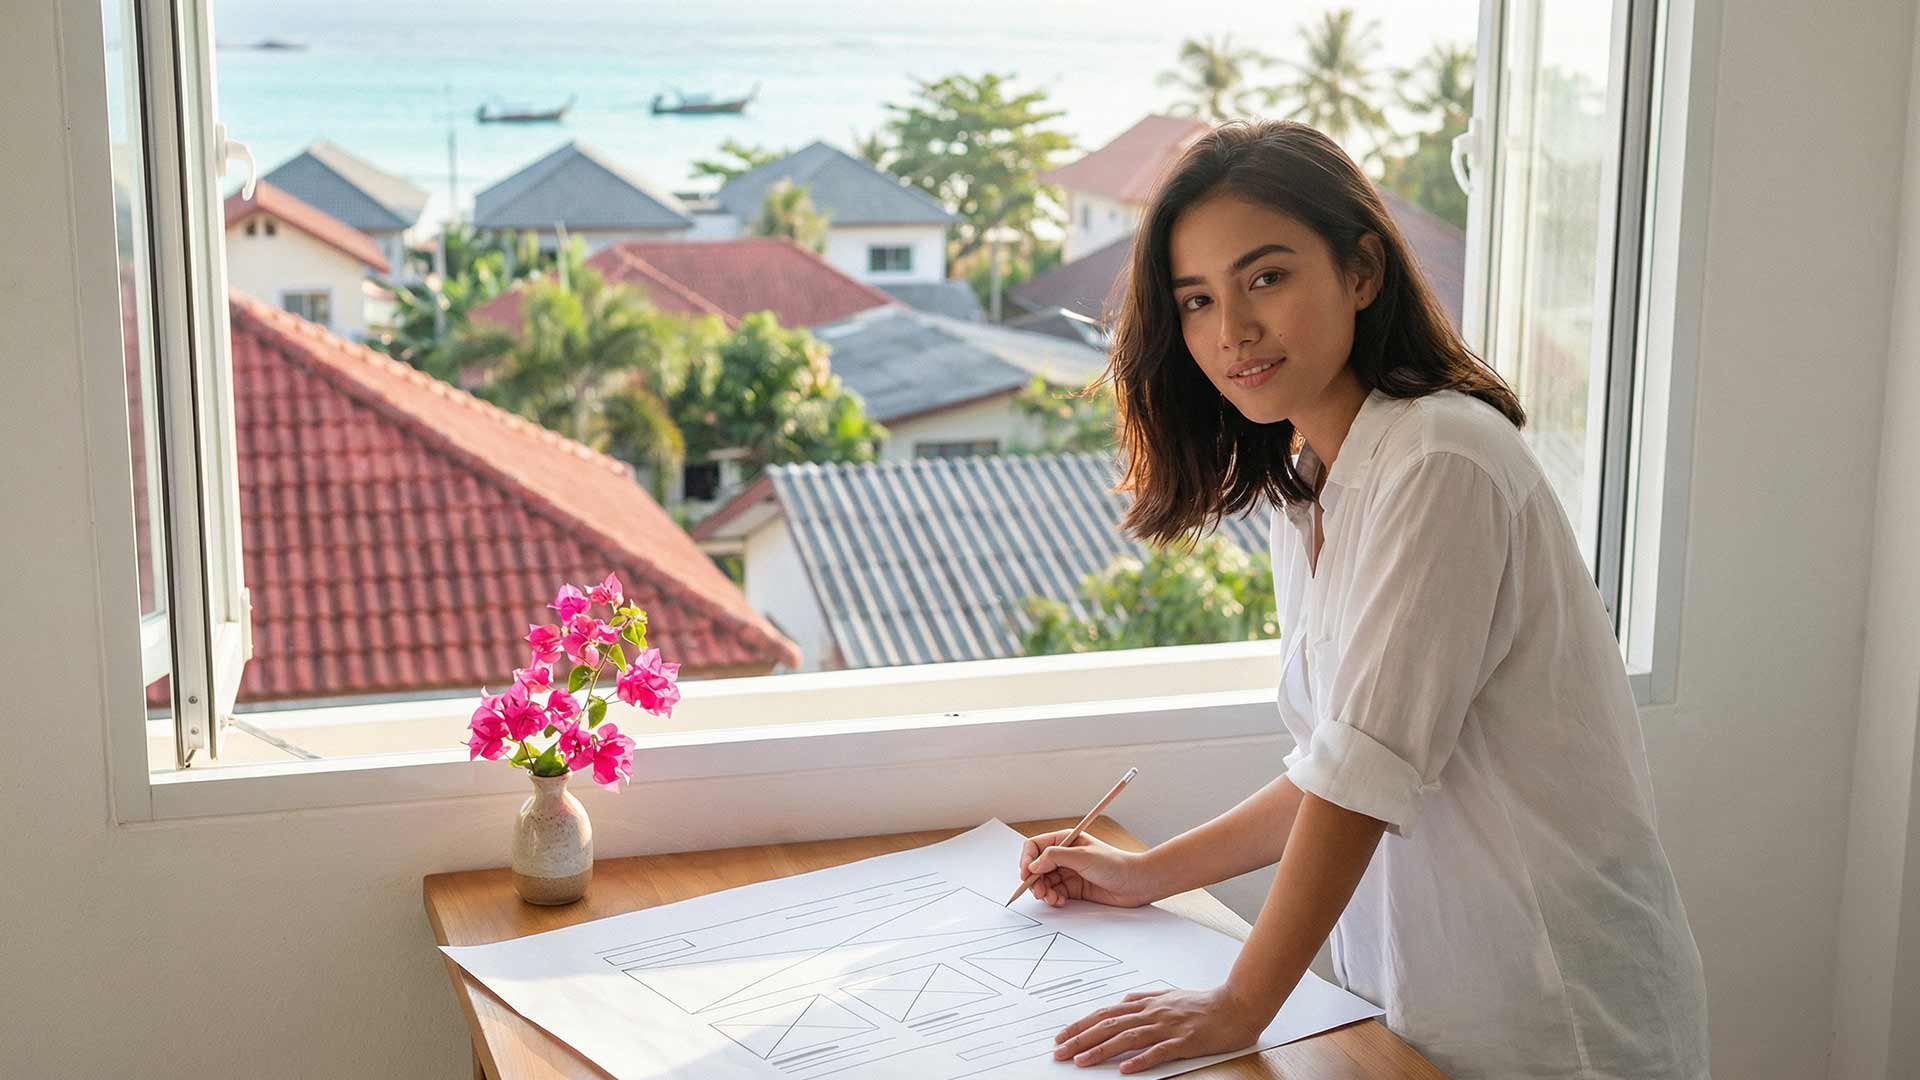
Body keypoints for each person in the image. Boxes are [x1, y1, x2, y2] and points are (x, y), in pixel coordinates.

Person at [1016, 120, 1710, 1079]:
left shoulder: (1441, 460)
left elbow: (1358, 777)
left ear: (1363, 272)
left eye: (1267, 278)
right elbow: (1329, 764)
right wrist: (1148, 873)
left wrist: (1238, 1005)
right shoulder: (1313, 482)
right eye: (1198, 300)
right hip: (1413, 1006)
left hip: (1554, 1012)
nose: (1233, 330)